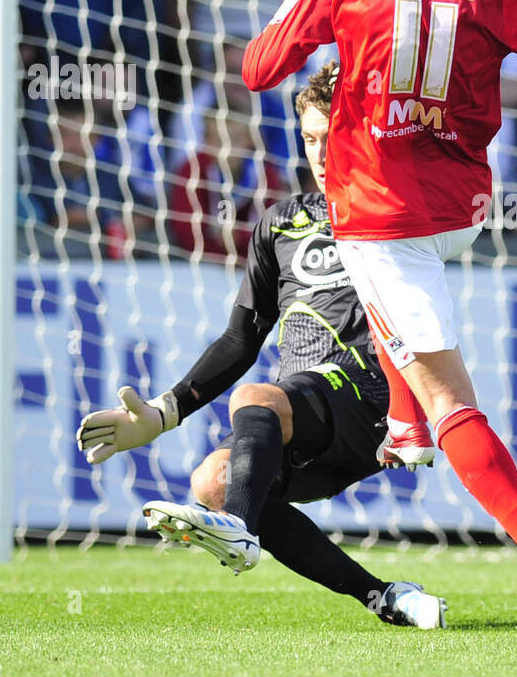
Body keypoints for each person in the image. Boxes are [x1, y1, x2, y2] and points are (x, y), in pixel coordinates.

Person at [243, 0, 517, 638]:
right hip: (463, 208)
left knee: (452, 399)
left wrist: (329, 30)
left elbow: (258, 67)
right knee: (396, 307)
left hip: (385, 215)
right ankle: (403, 423)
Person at [75, 63, 447, 630]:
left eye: (335, 138)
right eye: (311, 139)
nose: (321, 155)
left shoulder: (397, 212)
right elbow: (241, 337)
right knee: (212, 483)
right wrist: (161, 412)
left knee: (259, 400)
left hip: (373, 398)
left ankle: (241, 533)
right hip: (305, 419)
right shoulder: (280, 224)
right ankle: (385, 596)